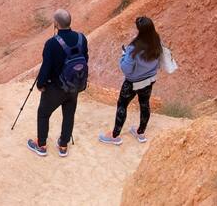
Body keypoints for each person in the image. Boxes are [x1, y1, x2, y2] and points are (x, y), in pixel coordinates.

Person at [27, 9, 89, 157]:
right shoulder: (82, 38)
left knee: (43, 113)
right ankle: (63, 146)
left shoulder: (52, 43)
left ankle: (41, 145)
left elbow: (46, 66)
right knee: (69, 114)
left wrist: (40, 84)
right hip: (74, 85)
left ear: (56, 24)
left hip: (55, 87)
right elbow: (85, 59)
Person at [99, 16, 166, 145]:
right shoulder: (157, 42)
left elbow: (126, 69)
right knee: (144, 104)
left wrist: (123, 55)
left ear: (139, 30)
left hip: (132, 82)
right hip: (149, 80)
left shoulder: (133, 48)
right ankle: (140, 133)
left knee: (122, 105)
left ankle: (114, 136)